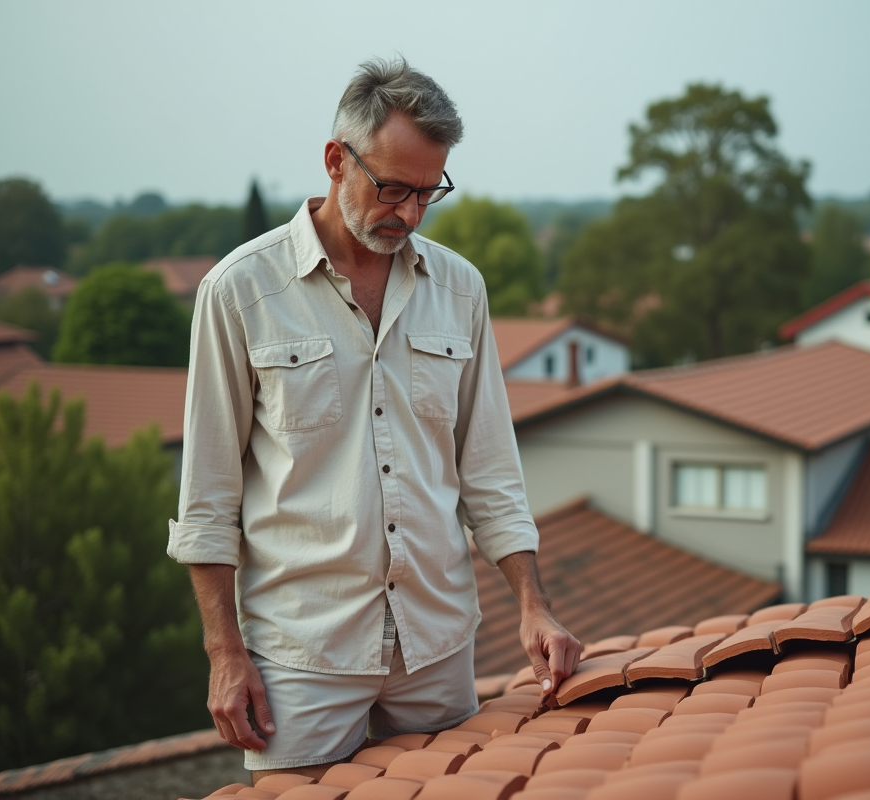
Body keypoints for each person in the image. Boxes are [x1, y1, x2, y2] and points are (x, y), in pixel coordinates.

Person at [167, 57, 580, 781]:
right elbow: (207, 500)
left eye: (429, 193)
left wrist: (533, 607)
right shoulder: (239, 292)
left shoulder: (461, 289)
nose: (411, 213)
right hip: (303, 658)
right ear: (335, 160)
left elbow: (489, 472)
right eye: (392, 188)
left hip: (438, 649)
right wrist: (225, 654)